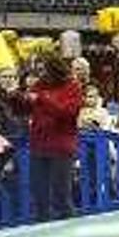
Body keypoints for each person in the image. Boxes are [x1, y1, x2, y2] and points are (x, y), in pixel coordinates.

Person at [14, 50, 82, 222]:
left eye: (43, 69)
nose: (40, 74)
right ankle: (42, 229)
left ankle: (71, 230)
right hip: (39, 145)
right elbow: (24, 111)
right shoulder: (38, 86)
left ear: (54, 68)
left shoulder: (72, 86)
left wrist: (42, 99)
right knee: (39, 196)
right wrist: (15, 99)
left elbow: (68, 113)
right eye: (38, 70)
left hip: (62, 146)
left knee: (61, 196)